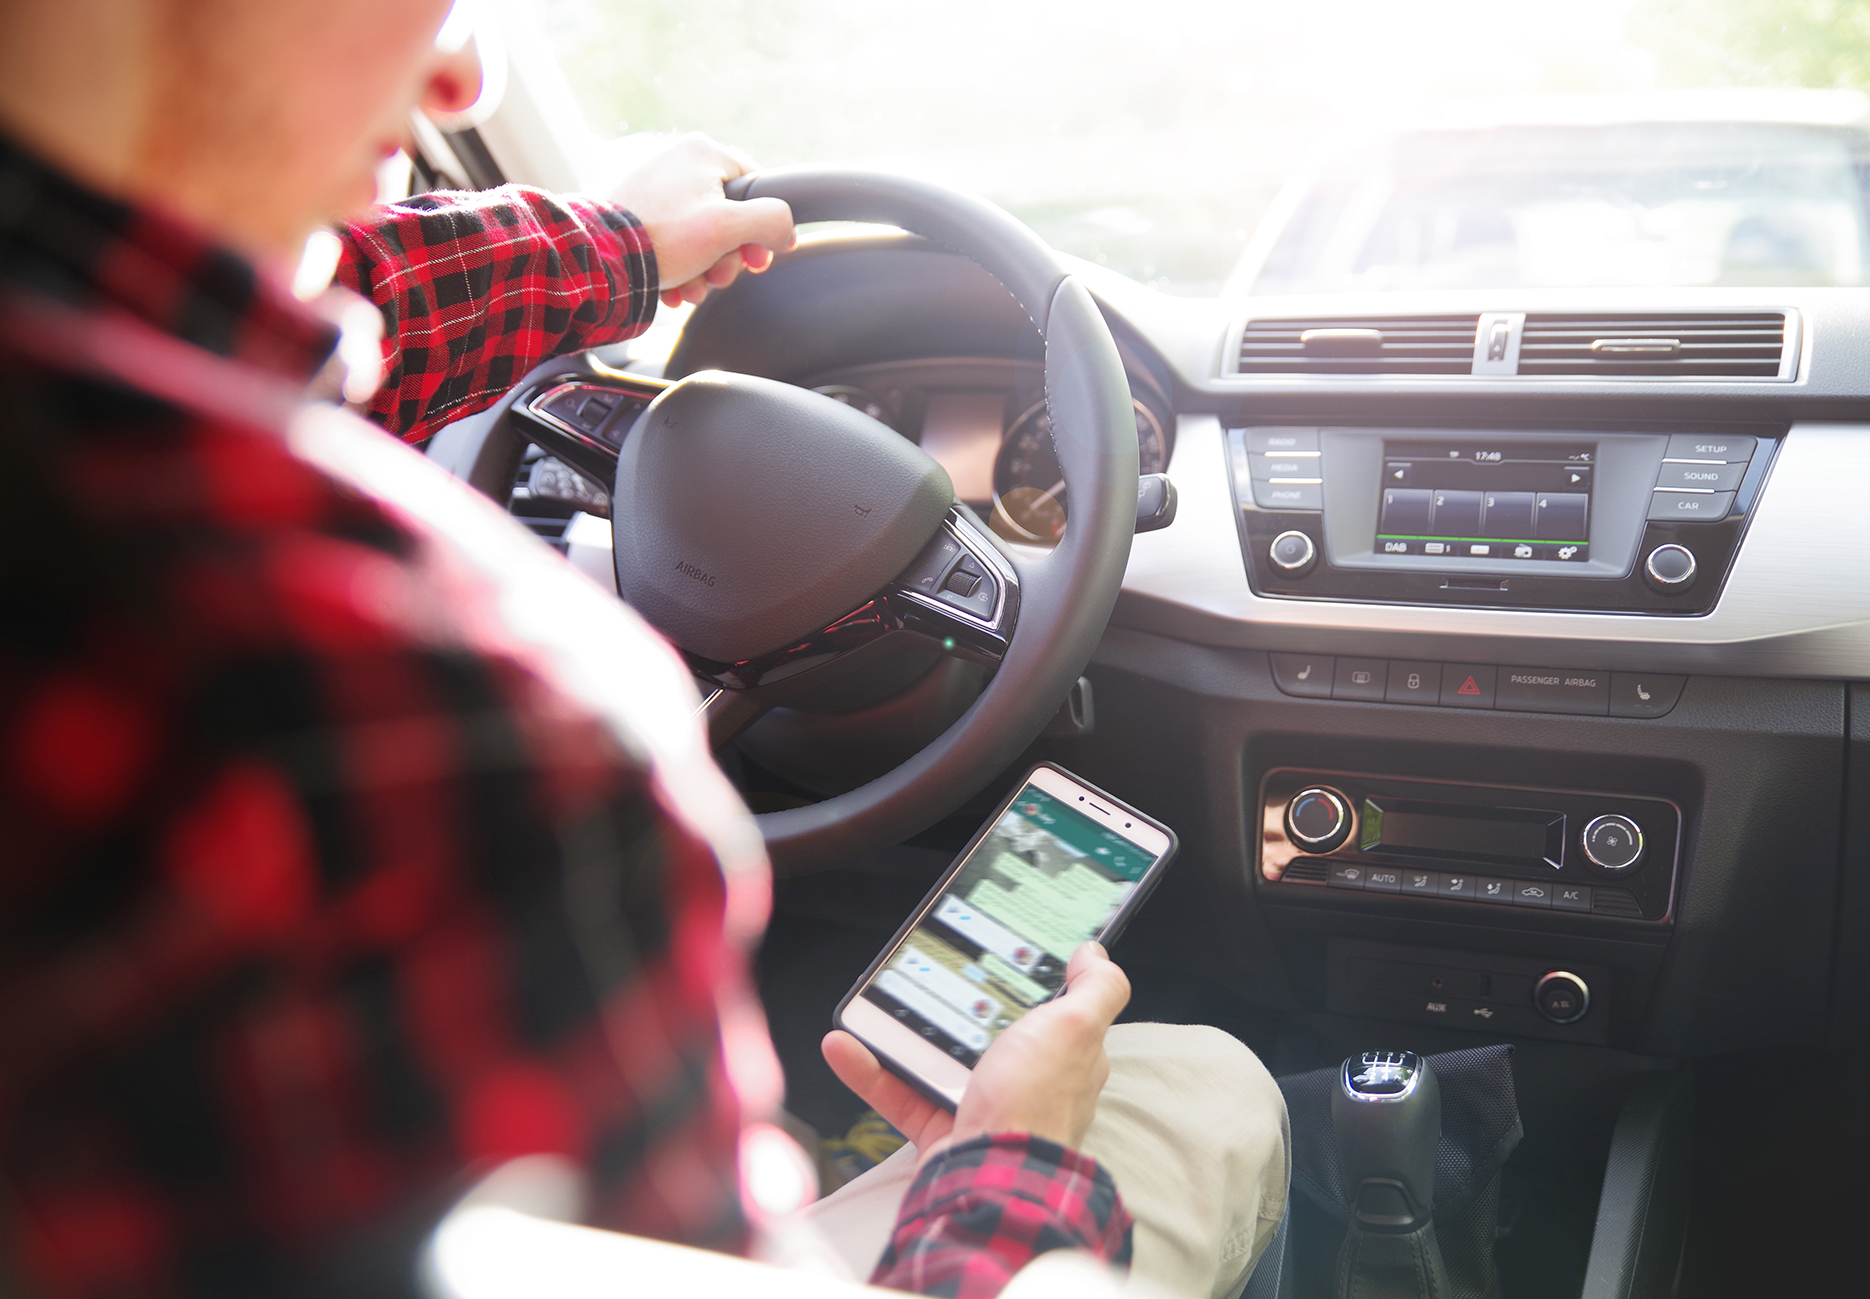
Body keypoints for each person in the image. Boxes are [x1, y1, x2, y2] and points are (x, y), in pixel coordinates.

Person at [0, 2, 1288, 1296]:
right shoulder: (404, 715)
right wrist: (1005, 1163)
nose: (461, 76)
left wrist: (612, 251)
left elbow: (320, 305)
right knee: (1200, 1093)